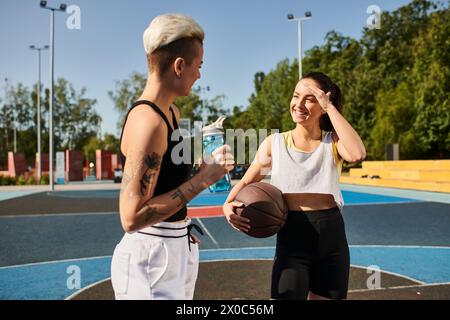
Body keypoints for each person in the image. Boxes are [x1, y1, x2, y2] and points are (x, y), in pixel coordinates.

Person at [111, 13, 234, 300]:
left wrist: (179, 229)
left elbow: (166, 177)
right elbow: (132, 217)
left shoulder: (171, 114)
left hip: (172, 246)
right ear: (179, 66)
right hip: (150, 260)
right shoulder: (148, 122)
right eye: (198, 66)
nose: (199, 74)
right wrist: (203, 179)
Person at [223, 72, 366, 300]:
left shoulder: (334, 142)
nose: (298, 104)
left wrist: (330, 108)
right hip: (293, 238)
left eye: (309, 99)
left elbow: (358, 153)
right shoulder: (275, 144)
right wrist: (227, 205)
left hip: (332, 237)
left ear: (322, 103)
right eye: (296, 96)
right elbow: (247, 182)